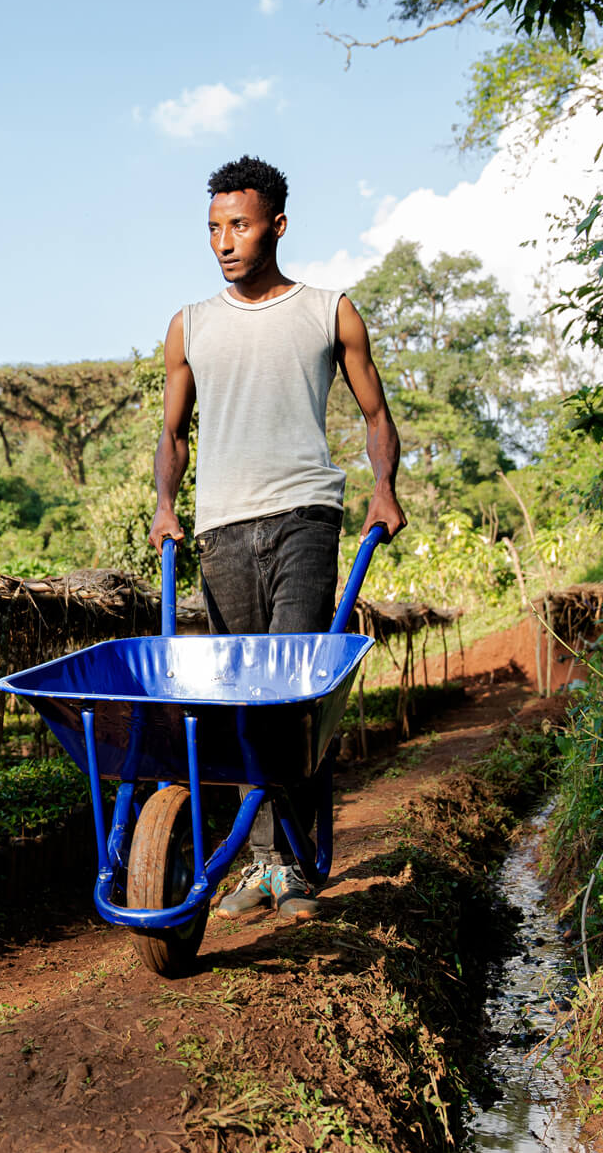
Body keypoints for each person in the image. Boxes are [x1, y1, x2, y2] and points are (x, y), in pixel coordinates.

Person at [147, 154, 408, 923]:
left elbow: (375, 415)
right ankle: (261, 862)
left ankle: (283, 865)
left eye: (239, 225)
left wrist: (384, 486)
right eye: (214, 228)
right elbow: (171, 433)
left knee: (285, 684)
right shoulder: (188, 326)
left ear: (277, 226)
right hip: (219, 527)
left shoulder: (330, 312)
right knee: (233, 697)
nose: (224, 241)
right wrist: (165, 503)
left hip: (305, 515)